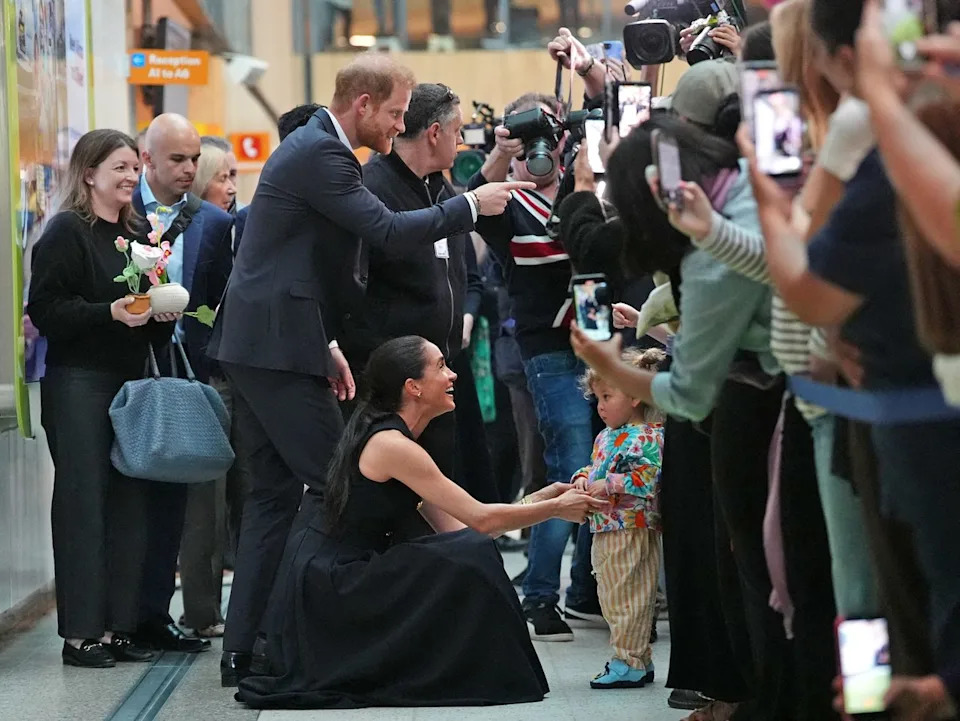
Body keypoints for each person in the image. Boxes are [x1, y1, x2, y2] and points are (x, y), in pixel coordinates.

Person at [208, 53, 531, 685]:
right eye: (392, 113)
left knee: (273, 499)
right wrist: (470, 204)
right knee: (346, 485)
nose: (398, 125)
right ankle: (348, 632)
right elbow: (383, 232)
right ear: (361, 105)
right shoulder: (325, 155)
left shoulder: (319, 152)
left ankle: (246, 646)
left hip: (269, 340)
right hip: (274, 345)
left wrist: (321, 339)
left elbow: (299, 260)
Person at [236, 336, 604, 709]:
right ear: (412, 387)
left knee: (471, 552)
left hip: (337, 572)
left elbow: (465, 528)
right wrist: (556, 509)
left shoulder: (397, 437)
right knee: (471, 556)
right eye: (442, 366)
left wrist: (540, 500)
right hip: (334, 582)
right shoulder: (393, 445)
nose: (453, 375)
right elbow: (479, 520)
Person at [26, 129, 177, 668]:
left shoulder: (137, 234)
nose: (132, 177)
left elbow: (146, 328)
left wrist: (161, 317)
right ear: (88, 173)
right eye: (120, 168)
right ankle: (81, 634)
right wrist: (107, 313)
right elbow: (46, 310)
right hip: (78, 384)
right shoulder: (67, 231)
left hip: (128, 383)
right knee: (84, 507)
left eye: (135, 168)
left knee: (130, 505)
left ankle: (119, 626)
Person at [468, 91, 602, 642]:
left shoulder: (584, 188)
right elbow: (473, 199)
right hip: (548, 349)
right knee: (570, 465)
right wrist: (502, 147)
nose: (540, 151)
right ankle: (539, 595)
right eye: (531, 141)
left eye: (549, 136)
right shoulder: (509, 201)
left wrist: (589, 142)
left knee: (602, 466)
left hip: (602, 343)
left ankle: (585, 589)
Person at [343, 82, 496, 502]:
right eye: (458, 131)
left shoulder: (442, 191)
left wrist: (462, 316)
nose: (462, 141)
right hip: (390, 384)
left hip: (438, 378)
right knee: (394, 503)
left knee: (440, 498)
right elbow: (353, 285)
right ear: (434, 132)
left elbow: (464, 273)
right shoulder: (371, 190)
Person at [132, 113, 235, 654]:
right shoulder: (120, 216)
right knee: (131, 497)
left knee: (193, 499)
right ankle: (127, 613)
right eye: (177, 159)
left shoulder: (212, 224)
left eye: (195, 159)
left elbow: (218, 303)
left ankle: (180, 613)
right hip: (127, 373)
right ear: (147, 160)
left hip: (191, 375)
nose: (189, 169)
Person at [174, 136, 246, 639]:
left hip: (224, 374)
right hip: (179, 375)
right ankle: (195, 610)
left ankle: (219, 611)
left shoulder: (229, 227)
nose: (231, 188)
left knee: (226, 496)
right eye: (223, 177)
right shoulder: (174, 225)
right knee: (202, 500)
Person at [573, 347, 666, 690]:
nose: (600, 405)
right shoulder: (606, 436)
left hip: (630, 526)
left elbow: (648, 479)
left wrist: (608, 483)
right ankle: (637, 658)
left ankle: (628, 660)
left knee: (629, 595)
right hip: (606, 527)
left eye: (607, 396)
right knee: (613, 595)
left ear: (635, 397)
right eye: (597, 397)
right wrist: (582, 477)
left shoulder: (649, 435)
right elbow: (595, 467)